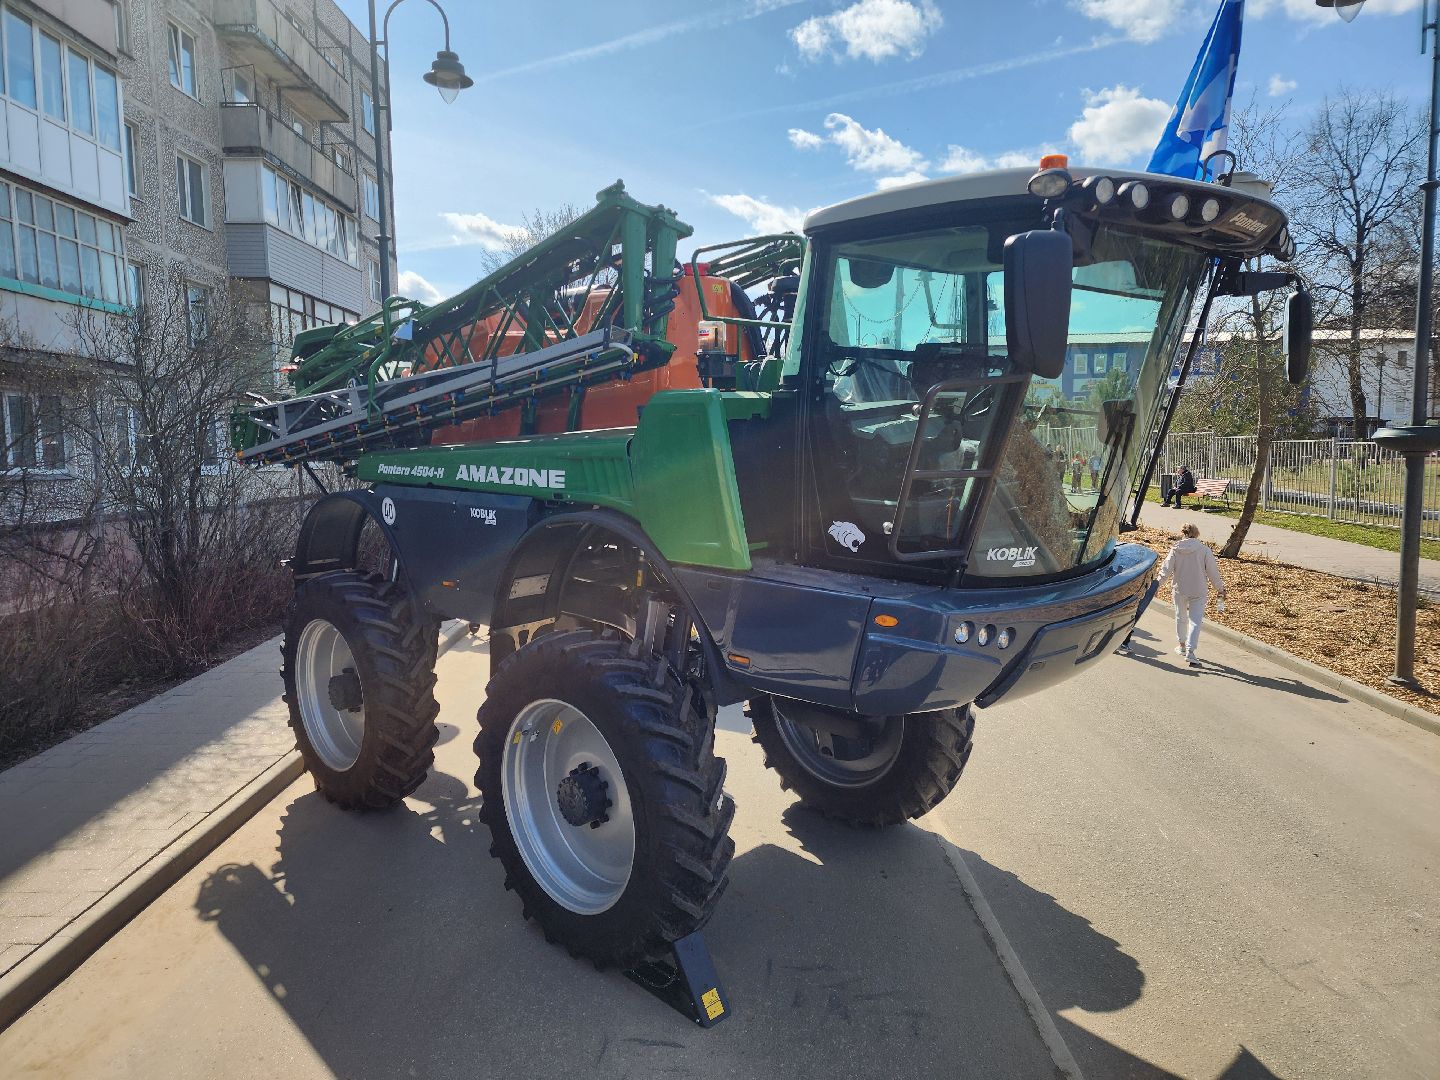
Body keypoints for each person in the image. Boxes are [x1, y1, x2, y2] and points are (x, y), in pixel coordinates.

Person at [1155, 522, 1226, 667]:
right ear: (1197, 534)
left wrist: (1157, 585)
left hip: (1179, 589)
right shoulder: (1204, 550)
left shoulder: (1175, 549)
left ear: (1183, 533)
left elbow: (1166, 570)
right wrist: (1220, 588)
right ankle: (1190, 651)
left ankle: (1181, 644)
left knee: (1180, 617)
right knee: (1195, 620)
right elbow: (1213, 572)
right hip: (1198, 590)